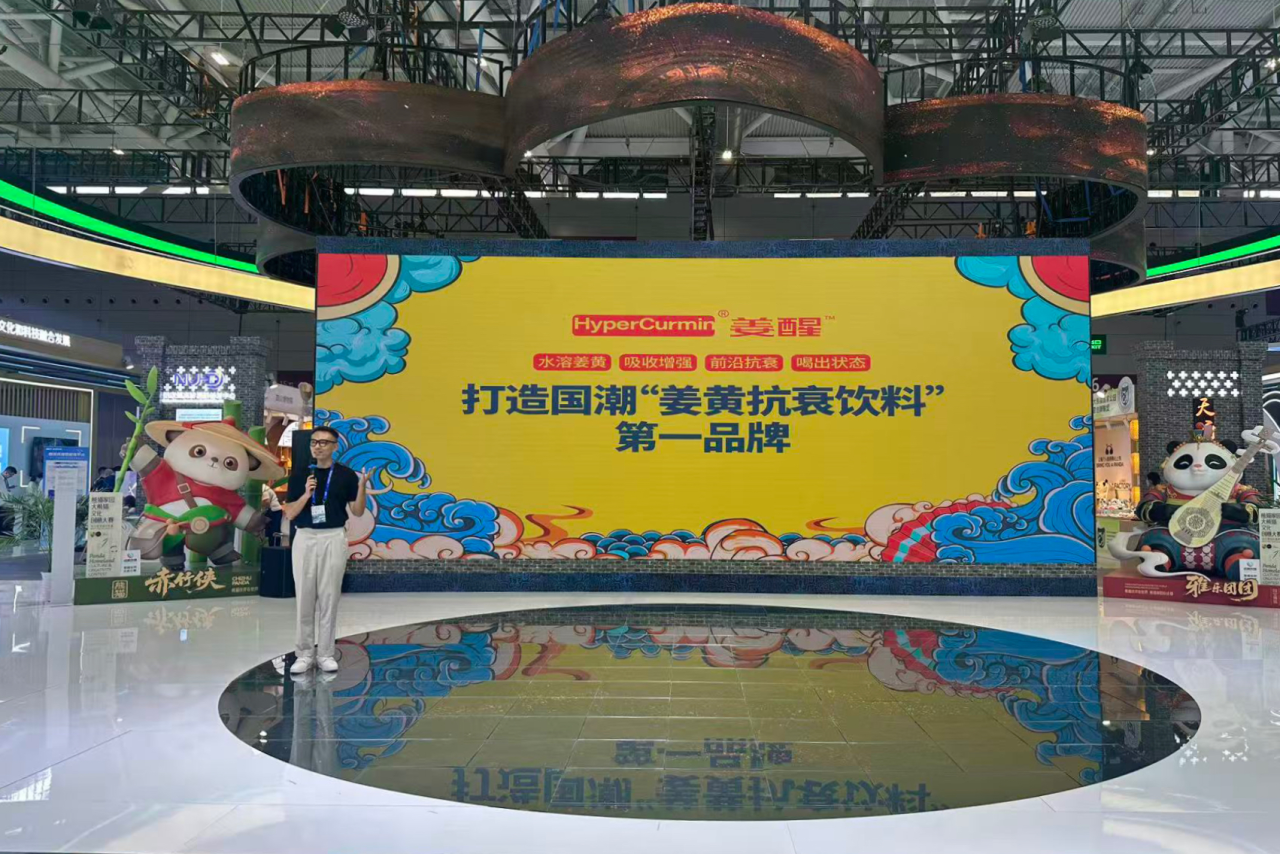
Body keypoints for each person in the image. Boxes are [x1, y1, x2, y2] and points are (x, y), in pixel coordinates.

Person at [281, 427, 369, 674]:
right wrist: (306, 494)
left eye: (323, 442)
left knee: (329, 596)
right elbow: (290, 513)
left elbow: (358, 511)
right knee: (304, 597)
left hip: (333, 536)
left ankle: (326, 654)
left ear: (335, 446)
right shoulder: (300, 475)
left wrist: (362, 486)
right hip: (305, 536)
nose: (317, 446)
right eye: (314, 442)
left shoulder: (346, 475)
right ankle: (304, 654)